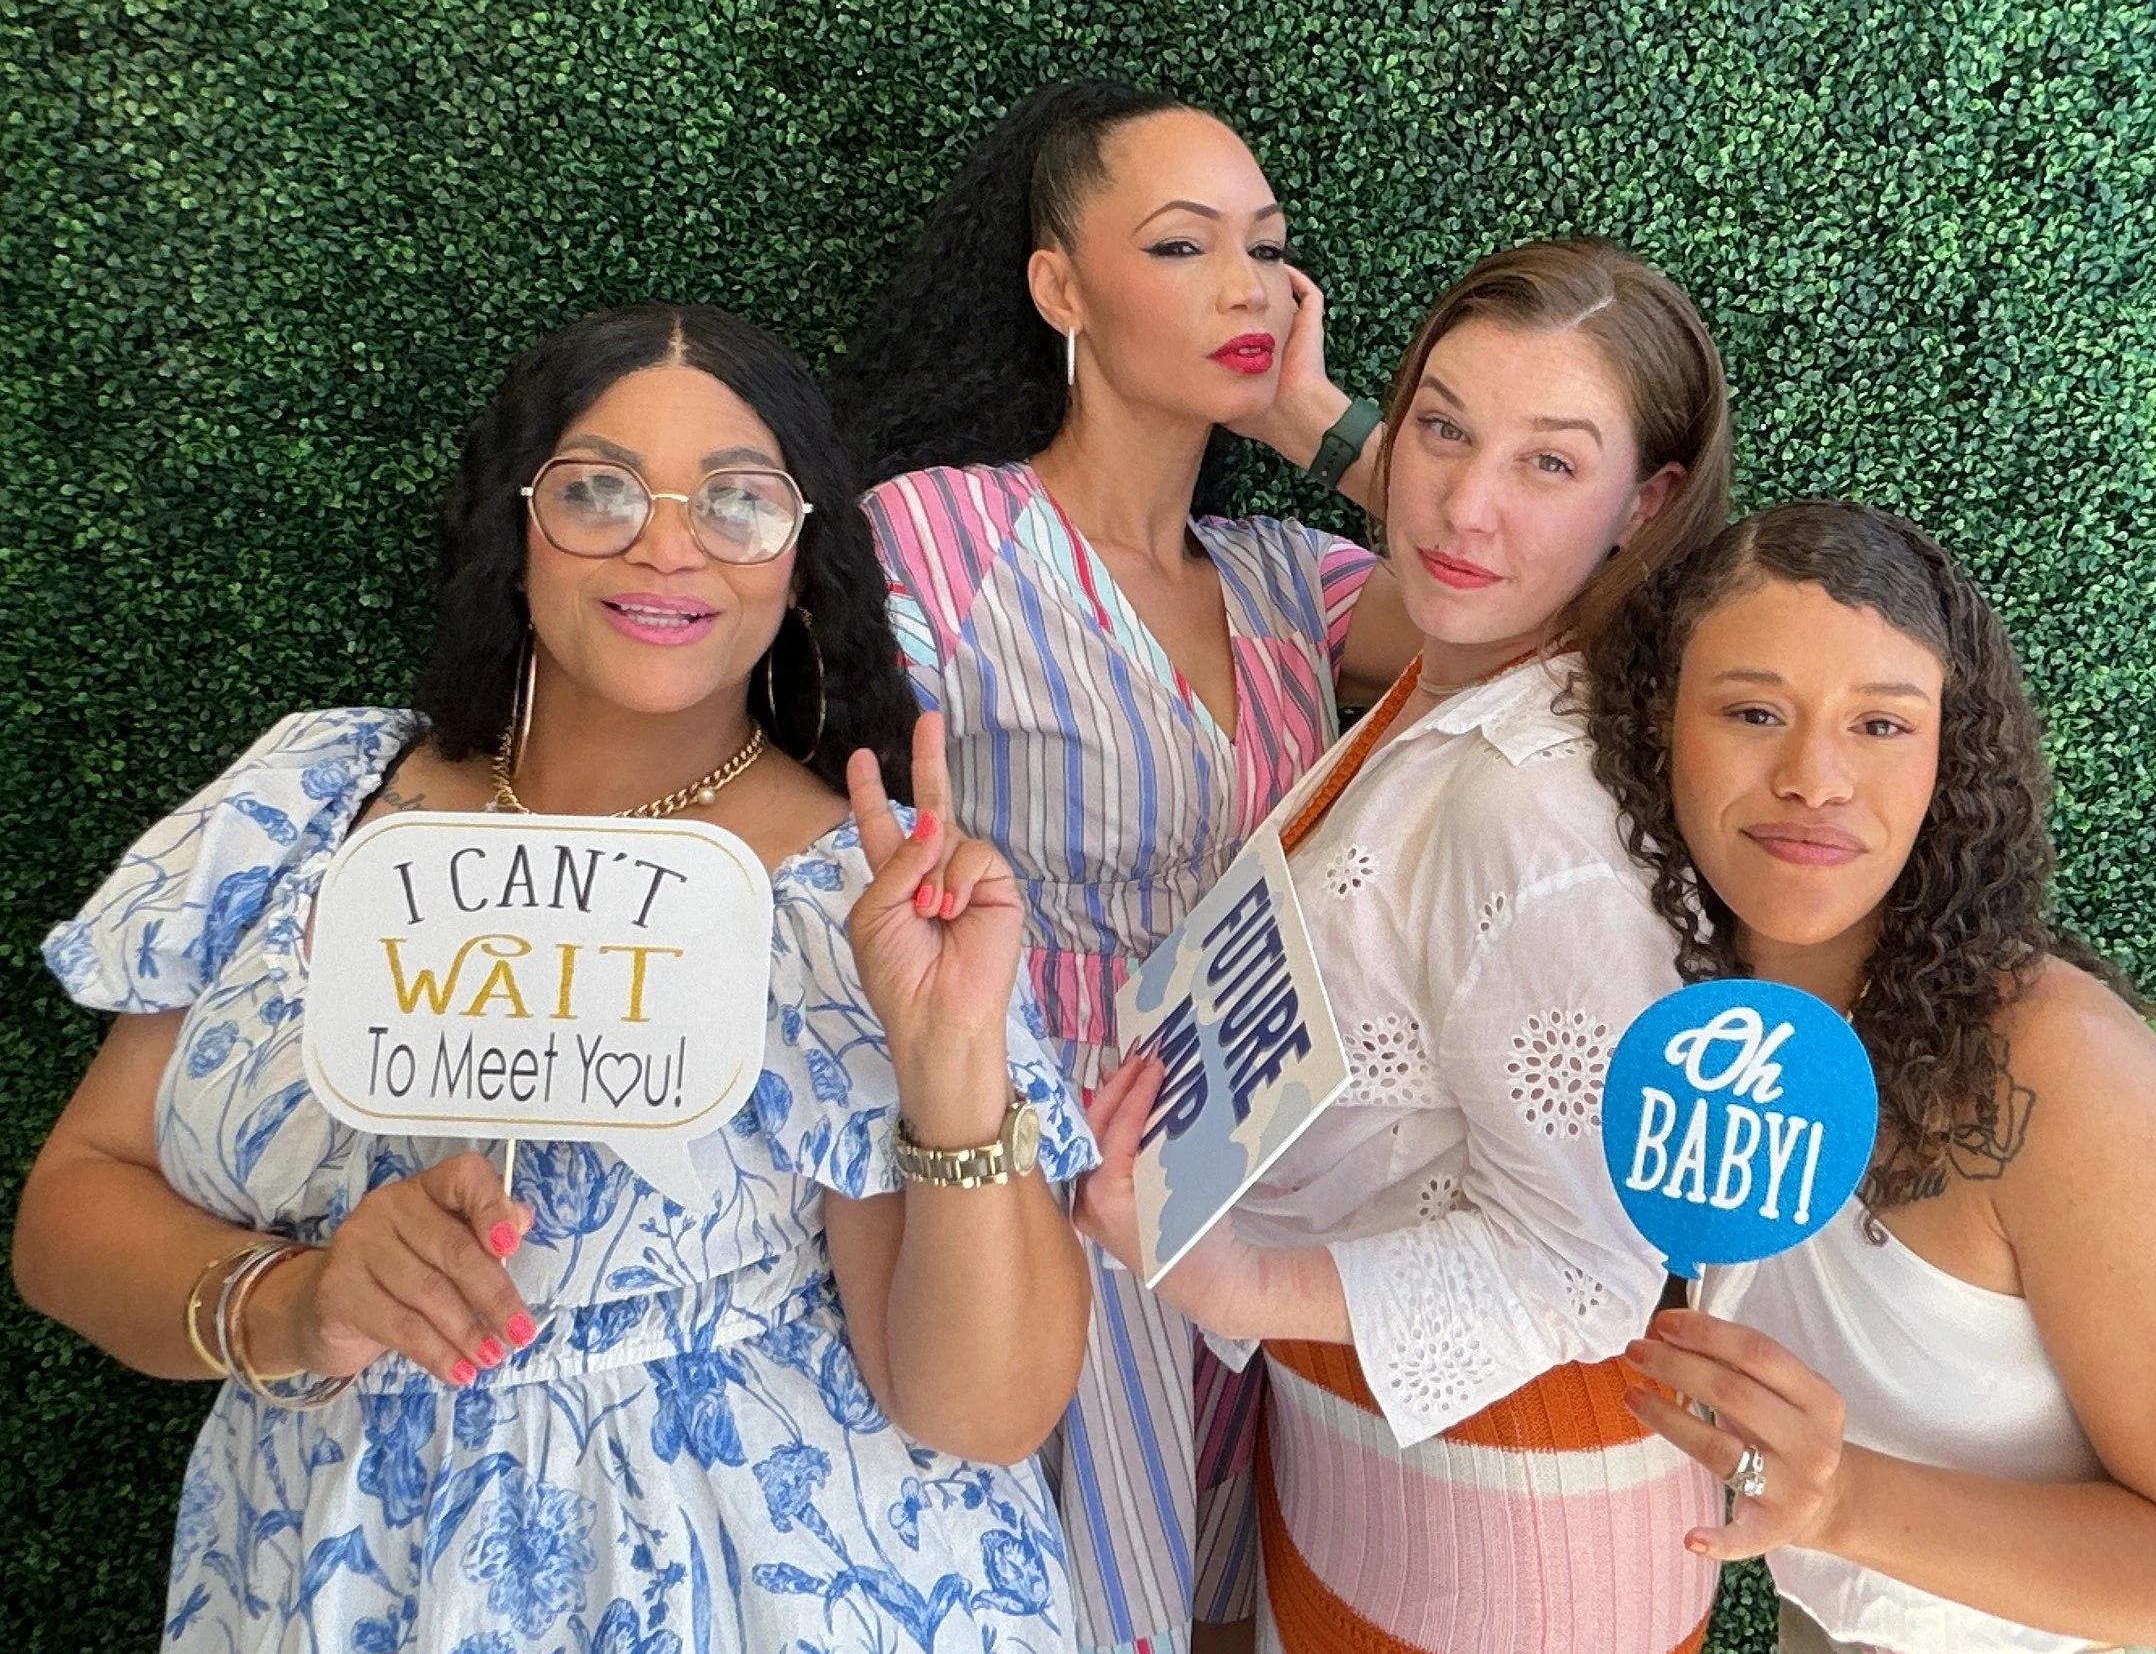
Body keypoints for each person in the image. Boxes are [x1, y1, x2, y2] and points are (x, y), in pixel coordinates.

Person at [14, 303, 1099, 1653]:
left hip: (774, 1592)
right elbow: (69, 1208)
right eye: (598, 488)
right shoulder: (310, 795)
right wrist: (294, 1299)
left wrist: (948, 1060)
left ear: (800, 551)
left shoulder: (864, 895)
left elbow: (982, 1412)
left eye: (739, 498)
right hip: (337, 1575)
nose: (667, 541)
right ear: (511, 525)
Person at [1075, 239, 1736, 1654]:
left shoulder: (1534, 804)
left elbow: (1589, 1269)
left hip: (1510, 1532)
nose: (1460, 503)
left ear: (1651, 500)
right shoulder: (1476, 671)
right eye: (1440, 424)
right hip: (1364, 1472)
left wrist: (1228, 1277)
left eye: (1551, 464)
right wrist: (1299, 410)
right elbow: (1462, 518)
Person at [847, 80, 1418, 1654]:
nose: (1249, 288)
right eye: (1184, 246)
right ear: (1058, 286)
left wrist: (1318, 426)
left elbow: (1563, 598)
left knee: (1237, 1594)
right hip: (1044, 1172)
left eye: (1269, 249)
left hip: (1276, 1170)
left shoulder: (1290, 578)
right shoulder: (939, 535)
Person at [1586, 499, 2156, 1654]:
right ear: (1659, 726)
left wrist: (1841, 1500)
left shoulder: (2056, 1072)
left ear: (1948, 757)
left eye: (1880, 726)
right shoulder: (1659, 1014)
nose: (1812, 778)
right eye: (1751, 711)